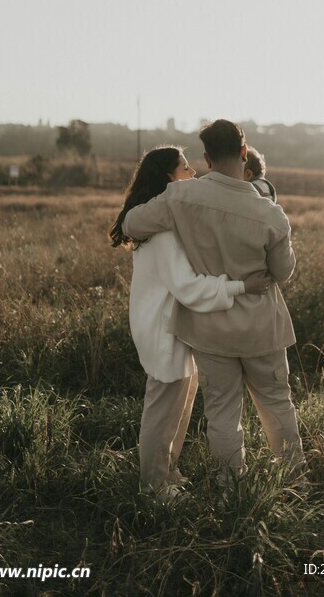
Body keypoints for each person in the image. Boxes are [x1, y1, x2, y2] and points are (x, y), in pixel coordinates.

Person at [123, 120, 304, 490]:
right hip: (260, 327)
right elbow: (283, 273)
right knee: (277, 405)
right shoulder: (270, 214)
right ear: (243, 152)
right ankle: (293, 483)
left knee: (222, 413)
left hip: (209, 328)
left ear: (205, 158)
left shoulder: (180, 197)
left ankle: (230, 487)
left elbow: (131, 224)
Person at [110, 145, 269, 500]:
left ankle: (168, 473)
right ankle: (152, 487)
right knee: (162, 410)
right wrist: (242, 285)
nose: (192, 173)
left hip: (176, 326)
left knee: (181, 402)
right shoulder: (162, 231)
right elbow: (187, 286)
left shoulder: (165, 221)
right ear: (168, 176)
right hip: (163, 327)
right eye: (185, 168)